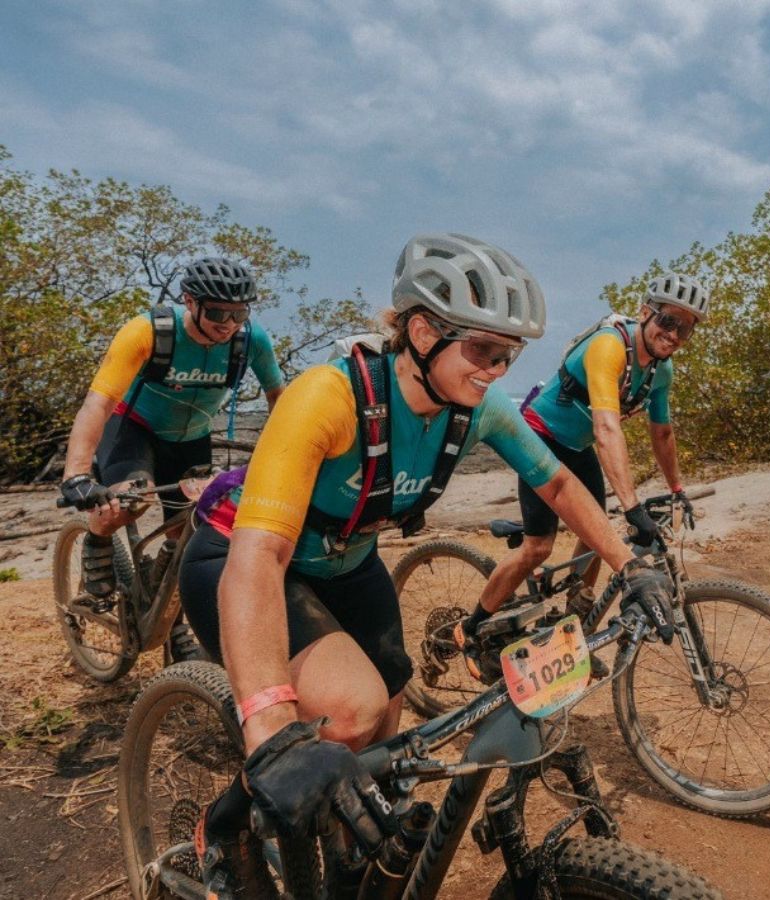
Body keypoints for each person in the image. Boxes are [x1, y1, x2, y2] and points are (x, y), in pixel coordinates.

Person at [176, 233, 676, 898]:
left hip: (347, 562)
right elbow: (260, 554)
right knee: (346, 715)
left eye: (508, 355)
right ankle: (229, 823)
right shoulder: (327, 396)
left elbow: (556, 484)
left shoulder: (478, 411)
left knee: (386, 734)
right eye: (482, 351)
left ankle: (340, 867)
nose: (496, 370)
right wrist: (270, 730)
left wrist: (629, 565)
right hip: (241, 556)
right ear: (421, 331)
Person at [455, 271, 709, 673]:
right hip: (537, 436)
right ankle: (470, 630)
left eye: (686, 329)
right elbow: (607, 428)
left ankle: (570, 632)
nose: (675, 334)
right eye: (668, 321)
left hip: (576, 447)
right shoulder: (609, 346)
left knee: (596, 533)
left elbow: (662, 432)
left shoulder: (662, 372)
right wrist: (632, 506)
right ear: (645, 312)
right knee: (538, 548)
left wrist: (677, 487)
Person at [58, 257, 285, 661]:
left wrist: (288, 458)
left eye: (239, 313)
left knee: (191, 535)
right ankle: (96, 543)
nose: (228, 324)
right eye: (217, 312)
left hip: (190, 440)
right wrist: (76, 473)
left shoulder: (252, 340)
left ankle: (173, 628)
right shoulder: (146, 331)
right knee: (131, 501)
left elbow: (279, 401)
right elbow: (99, 402)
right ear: (190, 301)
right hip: (133, 431)